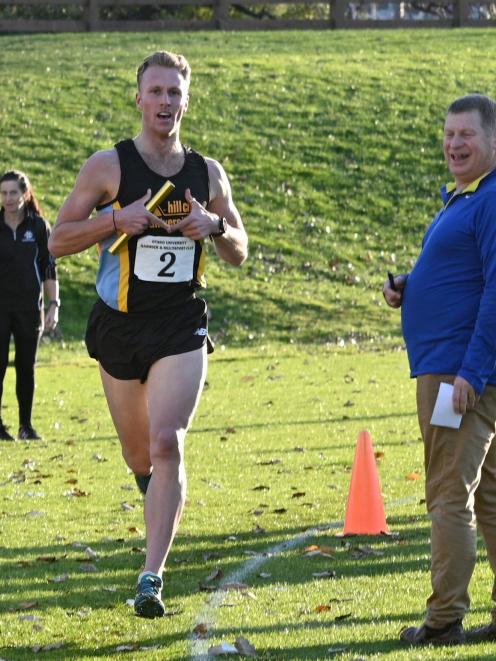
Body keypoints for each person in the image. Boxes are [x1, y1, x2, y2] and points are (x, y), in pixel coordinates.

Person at [48, 50, 248, 619]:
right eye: (155, 92)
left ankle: (150, 576)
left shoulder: (206, 174)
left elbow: (239, 250)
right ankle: (155, 493)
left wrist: (215, 226)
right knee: (140, 454)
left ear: (187, 101)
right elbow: (57, 240)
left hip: (180, 324)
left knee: (168, 442)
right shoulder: (108, 167)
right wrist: (115, 219)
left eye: (174, 93)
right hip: (119, 328)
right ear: (139, 99)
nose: (164, 102)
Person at [384, 93, 496, 646]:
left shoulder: (492, 200)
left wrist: (471, 373)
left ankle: (445, 619)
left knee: (449, 493)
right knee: (488, 494)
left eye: (466, 135)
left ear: (493, 142)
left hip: (460, 375)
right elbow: (466, 275)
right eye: (448, 134)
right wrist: (411, 284)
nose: (453, 144)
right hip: (458, 366)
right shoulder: (466, 196)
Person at [0, 170, 59, 441]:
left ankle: (26, 426)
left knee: (26, 367)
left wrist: (53, 305)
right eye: (4, 193)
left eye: (13, 192)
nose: (8, 198)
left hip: (28, 310)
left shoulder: (38, 227)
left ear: (25, 194)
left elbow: (49, 268)